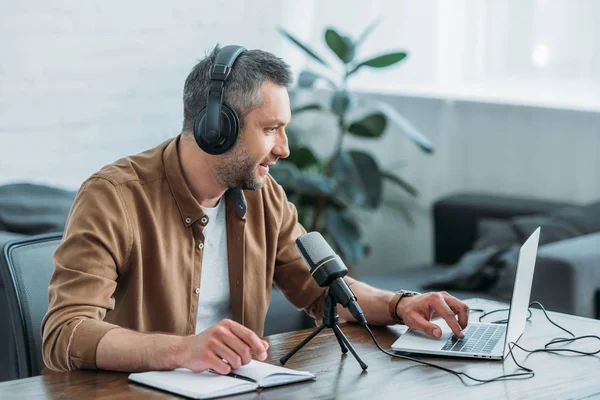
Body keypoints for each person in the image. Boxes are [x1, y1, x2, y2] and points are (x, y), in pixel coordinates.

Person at [41, 45, 469, 375]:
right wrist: (180, 350)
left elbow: (325, 292)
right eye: (270, 130)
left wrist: (400, 305)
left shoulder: (265, 196)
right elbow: (65, 334)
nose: (283, 148)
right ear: (216, 128)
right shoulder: (113, 196)